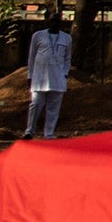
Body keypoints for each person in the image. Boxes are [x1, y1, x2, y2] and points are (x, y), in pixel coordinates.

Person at [24, 9, 74, 138]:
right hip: (39, 78)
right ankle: (29, 131)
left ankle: (49, 133)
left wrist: (65, 73)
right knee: (35, 105)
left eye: (57, 21)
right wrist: (30, 75)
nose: (55, 24)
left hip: (58, 79)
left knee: (53, 109)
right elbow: (32, 57)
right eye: (52, 21)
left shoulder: (66, 38)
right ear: (47, 22)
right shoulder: (38, 36)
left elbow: (67, 58)